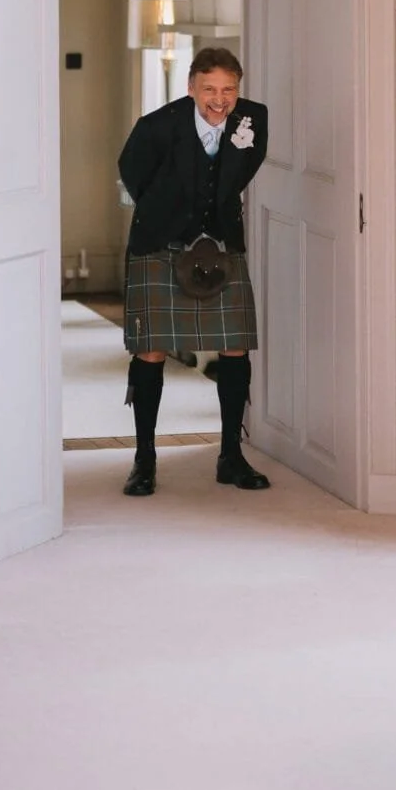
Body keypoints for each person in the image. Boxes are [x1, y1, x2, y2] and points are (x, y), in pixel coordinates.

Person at [116, 46, 271, 499]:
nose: (219, 100)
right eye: (209, 89)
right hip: (159, 243)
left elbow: (242, 171)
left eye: (228, 90)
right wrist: (172, 216)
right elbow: (133, 173)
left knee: (236, 345)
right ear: (191, 88)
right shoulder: (157, 126)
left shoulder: (253, 119)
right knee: (150, 350)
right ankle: (144, 459)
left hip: (221, 243)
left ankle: (230, 456)